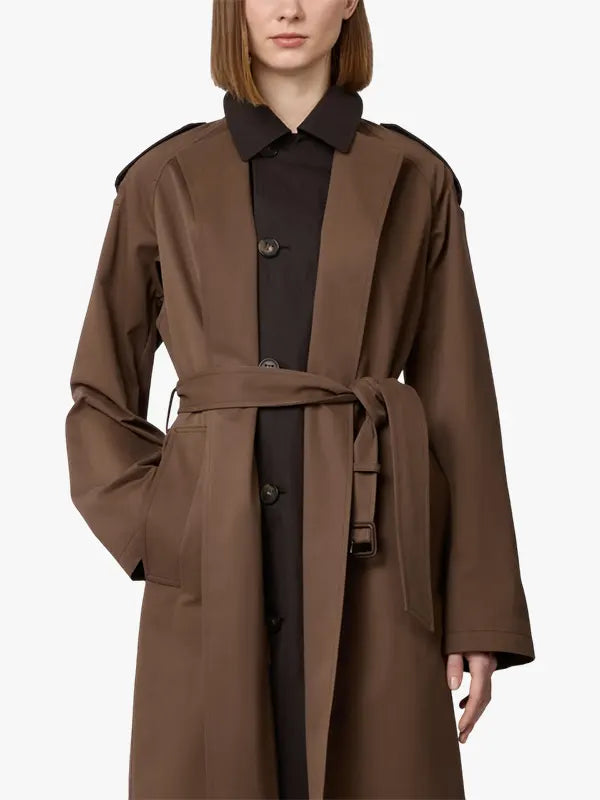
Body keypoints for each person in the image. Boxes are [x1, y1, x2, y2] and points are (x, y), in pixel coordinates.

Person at [65, 1, 535, 798]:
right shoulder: (164, 178)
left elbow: (461, 409)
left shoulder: (414, 178)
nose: (289, 8)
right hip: (213, 560)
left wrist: (476, 615)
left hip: (377, 555)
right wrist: (166, 525)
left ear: (349, 3)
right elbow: (98, 393)